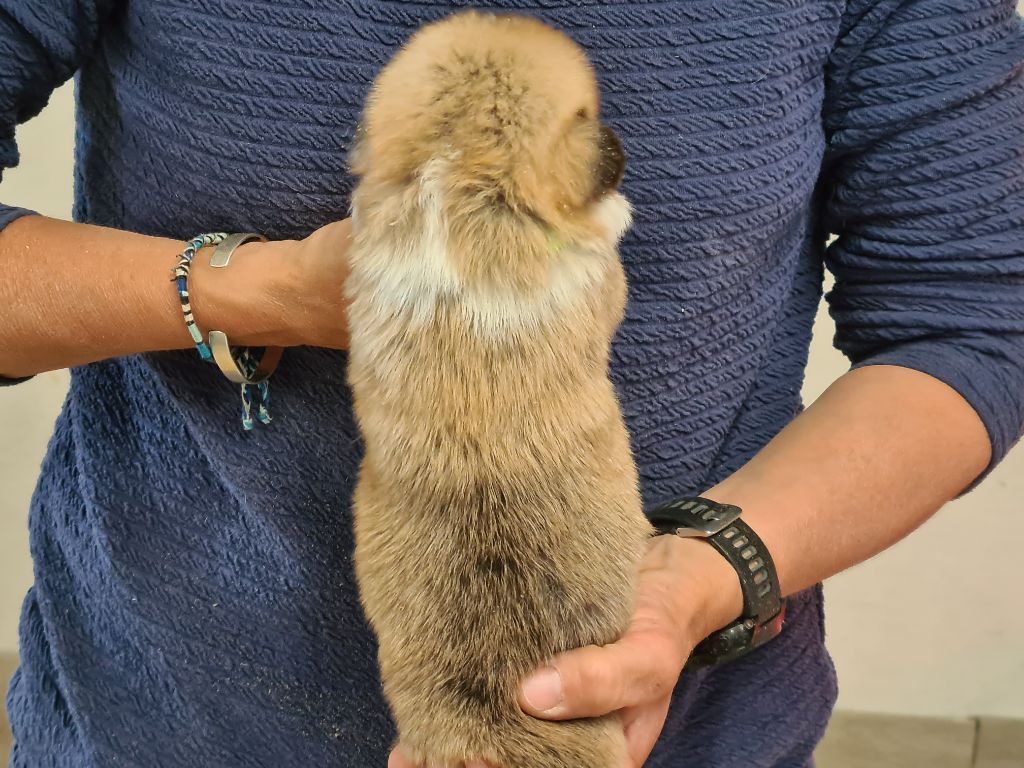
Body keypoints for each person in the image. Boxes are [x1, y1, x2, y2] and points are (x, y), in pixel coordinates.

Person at [2, 0, 1022, 766]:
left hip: (687, 731)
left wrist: (706, 577)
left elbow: (974, 320)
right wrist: (258, 293)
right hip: (158, 707)